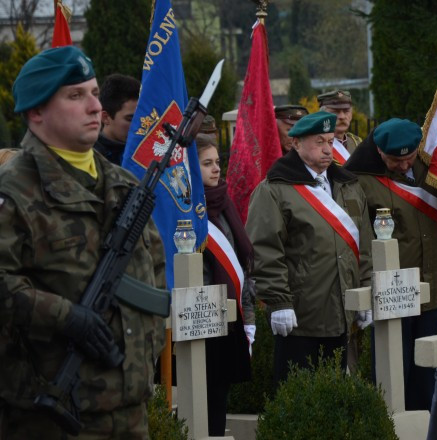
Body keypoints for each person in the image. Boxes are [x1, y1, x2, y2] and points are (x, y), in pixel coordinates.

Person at [0, 46, 166, 438]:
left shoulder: (124, 185)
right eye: (76, 96)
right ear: (36, 111)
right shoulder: (15, 192)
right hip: (49, 417)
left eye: (94, 93)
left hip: (130, 413)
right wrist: (67, 317)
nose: (95, 107)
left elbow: (155, 276)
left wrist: (145, 352)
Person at [344, 118, 437, 411]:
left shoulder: (432, 165)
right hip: (392, 290)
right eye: (397, 160)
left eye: (410, 158)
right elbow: (357, 236)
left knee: (427, 368)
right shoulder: (359, 179)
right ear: (380, 153)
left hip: (431, 285)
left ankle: (426, 424)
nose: (405, 165)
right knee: (394, 366)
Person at [247, 111, 372, 383]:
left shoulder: (348, 185)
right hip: (300, 316)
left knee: (336, 396)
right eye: (318, 142)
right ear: (296, 144)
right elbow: (265, 250)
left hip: (342, 312)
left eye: (329, 141)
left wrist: (366, 291)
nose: (328, 150)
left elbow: (365, 245)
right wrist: (279, 301)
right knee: (298, 397)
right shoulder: (274, 190)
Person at [196, 133, 255, 436]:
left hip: (229, 321)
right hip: (199, 322)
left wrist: (250, 320)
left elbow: (243, 265)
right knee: (199, 402)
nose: (216, 169)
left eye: (217, 162)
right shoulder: (184, 212)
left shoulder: (224, 204)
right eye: (207, 164)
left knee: (220, 400)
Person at [95, 73, 141, 165]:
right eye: (130, 119)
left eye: (141, 119)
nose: (139, 126)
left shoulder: (146, 152)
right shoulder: (91, 158)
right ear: (105, 117)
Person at [317, 90, 362, 164]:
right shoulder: (316, 146)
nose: (342, 116)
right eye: (335, 112)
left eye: (346, 111)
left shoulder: (357, 143)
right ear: (322, 115)